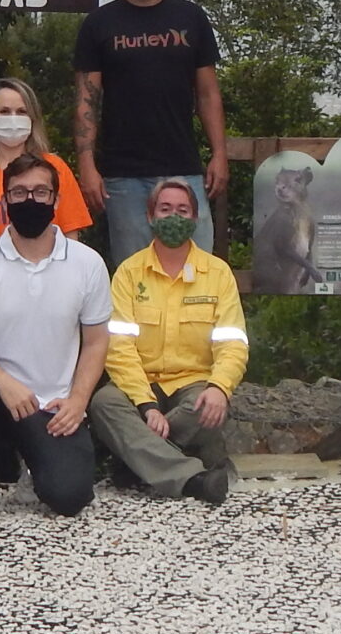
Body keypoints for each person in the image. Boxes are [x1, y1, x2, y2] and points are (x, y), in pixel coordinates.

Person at [0, 152, 111, 523]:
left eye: (40, 192)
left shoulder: (88, 263)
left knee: (70, 496)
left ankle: (34, 468)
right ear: (5, 201)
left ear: (56, 200)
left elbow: (96, 342)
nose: (30, 201)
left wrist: (79, 399)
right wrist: (4, 382)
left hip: (52, 406)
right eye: (18, 193)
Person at [74, 0, 228, 261]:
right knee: (134, 275)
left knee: (198, 270)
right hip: (122, 175)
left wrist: (219, 153)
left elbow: (207, 93)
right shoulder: (99, 24)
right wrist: (87, 163)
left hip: (184, 168)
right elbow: (87, 99)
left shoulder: (191, 18)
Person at [88, 180, 246, 504]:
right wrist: (145, 405)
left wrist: (219, 387)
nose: (174, 216)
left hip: (192, 386)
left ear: (194, 218)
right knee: (104, 404)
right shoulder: (128, 273)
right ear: (150, 216)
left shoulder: (218, 273)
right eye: (165, 209)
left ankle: (136, 459)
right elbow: (118, 347)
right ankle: (193, 478)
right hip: (139, 385)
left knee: (210, 409)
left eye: (182, 210)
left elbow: (233, 342)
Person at [0, 77, 91, 278]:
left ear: (32, 118)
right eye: (4, 111)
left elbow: (71, 238)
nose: (13, 118)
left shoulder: (55, 168)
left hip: (48, 282)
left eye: (21, 112)